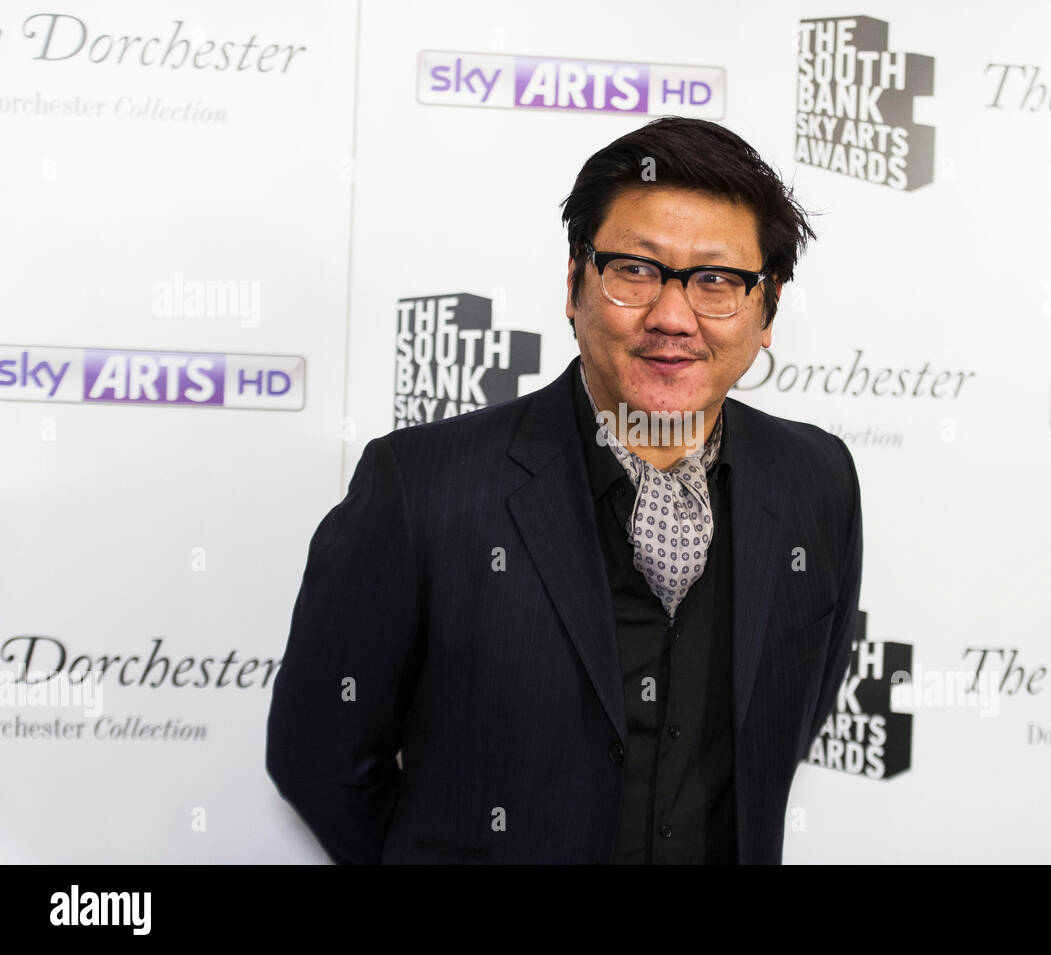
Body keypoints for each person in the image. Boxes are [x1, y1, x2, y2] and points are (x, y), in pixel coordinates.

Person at [265, 116, 863, 864]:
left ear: (766, 307)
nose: (672, 317)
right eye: (636, 271)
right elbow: (317, 753)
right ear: (575, 284)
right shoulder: (422, 488)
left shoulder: (818, 480)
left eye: (717, 281)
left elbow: (790, 720)